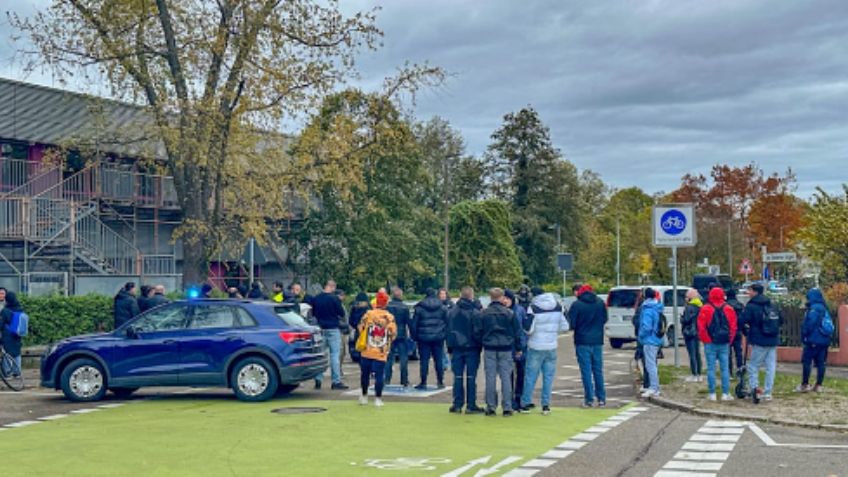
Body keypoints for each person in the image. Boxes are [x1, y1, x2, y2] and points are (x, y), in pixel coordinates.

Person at [519, 289, 569, 415]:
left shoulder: (533, 308)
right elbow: (565, 326)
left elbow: (529, 329)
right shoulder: (558, 306)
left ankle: (525, 403)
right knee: (548, 377)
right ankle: (546, 405)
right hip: (551, 346)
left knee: (531, 376)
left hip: (536, 346)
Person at [481, 288, 521, 416]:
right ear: (502, 297)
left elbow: (478, 330)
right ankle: (507, 407)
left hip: (489, 347)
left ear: (490, 297)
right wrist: (519, 348)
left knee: (490, 377)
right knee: (506, 378)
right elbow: (517, 332)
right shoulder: (509, 313)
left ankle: (491, 406)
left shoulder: (484, 313)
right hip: (506, 347)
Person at [739, 283, 781, 402]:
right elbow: (780, 320)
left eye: (750, 290)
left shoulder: (751, 306)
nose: (748, 293)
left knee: (753, 366)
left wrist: (745, 330)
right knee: (770, 366)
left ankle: (754, 388)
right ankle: (768, 392)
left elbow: (742, 320)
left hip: (759, 339)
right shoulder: (772, 304)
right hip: (772, 339)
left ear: (755, 292)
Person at [568, 284, 608, 407]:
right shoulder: (600, 303)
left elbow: (572, 324)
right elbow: (605, 319)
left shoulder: (577, 305)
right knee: (598, 370)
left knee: (586, 371)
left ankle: (589, 399)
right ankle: (601, 398)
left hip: (582, 340)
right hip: (597, 340)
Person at [447, 286, 484, 414]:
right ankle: (471, 404)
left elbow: (448, 330)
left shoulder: (452, 312)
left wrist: (450, 347)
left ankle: (457, 404)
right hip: (472, 348)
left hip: (457, 348)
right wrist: (479, 345)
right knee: (471, 377)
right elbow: (478, 332)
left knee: (457, 377)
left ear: (460, 295)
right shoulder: (475, 312)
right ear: (471, 296)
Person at [697, 287, 738, 401]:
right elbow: (733, 327)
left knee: (711, 368)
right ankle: (725, 393)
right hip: (724, 342)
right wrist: (729, 340)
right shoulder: (729, 308)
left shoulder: (705, 308)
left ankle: (712, 393)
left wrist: (706, 340)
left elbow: (701, 327)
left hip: (710, 342)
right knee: (725, 368)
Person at [357, 291, 397, 407]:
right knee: (379, 375)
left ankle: (364, 396)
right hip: (381, 351)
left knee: (365, 374)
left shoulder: (368, 314)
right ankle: (378, 399)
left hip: (367, 349)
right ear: (386, 303)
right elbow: (393, 333)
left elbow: (360, 328)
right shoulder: (389, 317)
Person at [310, 280, 349, 390]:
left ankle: (318, 379)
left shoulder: (316, 298)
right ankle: (336, 381)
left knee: (321, 355)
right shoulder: (334, 299)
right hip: (333, 328)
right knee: (334, 355)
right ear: (332, 287)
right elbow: (341, 313)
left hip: (320, 329)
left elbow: (314, 314)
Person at [797, 288, 832, 393]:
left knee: (807, 361)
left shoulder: (814, 309)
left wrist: (804, 334)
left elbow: (810, 323)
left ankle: (805, 384)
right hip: (824, 339)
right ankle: (818, 385)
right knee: (821, 363)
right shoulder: (824, 307)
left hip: (813, 339)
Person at [412, 288, 449, 389]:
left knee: (424, 361)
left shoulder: (419, 308)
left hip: (423, 338)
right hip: (438, 337)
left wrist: (414, 337)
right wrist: (444, 335)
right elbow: (448, 322)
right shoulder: (442, 307)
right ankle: (440, 381)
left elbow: (414, 324)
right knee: (439, 360)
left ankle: (423, 382)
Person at [504, 289, 528, 411]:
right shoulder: (503, 311)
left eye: (507, 298)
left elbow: (523, 328)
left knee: (521, 373)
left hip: (520, 345)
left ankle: (519, 398)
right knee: (508, 374)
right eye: (504, 298)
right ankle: (510, 400)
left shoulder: (519, 310)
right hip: (507, 346)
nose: (505, 301)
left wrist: (522, 345)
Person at [638, 289, 665, 398]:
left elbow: (646, 327)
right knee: (652, 364)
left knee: (650, 365)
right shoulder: (657, 308)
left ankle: (654, 388)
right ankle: (654, 387)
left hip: (649, 340)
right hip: (656, 338)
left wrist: (641, 336)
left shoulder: (647, 309)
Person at [385, 286, 412, 388]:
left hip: (390, 334)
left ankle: (387, 379)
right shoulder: (404, 307)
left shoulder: (387, 307)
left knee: (389, 358)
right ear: (401, 295)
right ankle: (404, 380)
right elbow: (408, 322)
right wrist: (413, 334)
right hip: (401, 334)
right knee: (403, 358)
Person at [681, 289, 704, 382]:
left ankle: (694, 374)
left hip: (689, 332)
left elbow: (686, 320)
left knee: (692, 354)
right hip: (697, 331)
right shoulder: (700, 305)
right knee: (697, 353)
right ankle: (699, 374)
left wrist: (682, 319)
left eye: (686, 296)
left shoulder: (689, 307)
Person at [0, 291, 24, 372]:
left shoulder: (5, 311)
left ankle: (7, 371)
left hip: (7, 335)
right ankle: (17, 372)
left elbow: (1, 324)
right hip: (18, 334)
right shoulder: (20, 309)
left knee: (7, 352)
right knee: (17, 353)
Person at [632, 295, 651, 392]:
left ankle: (647, 384)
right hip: (652, 339)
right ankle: (649, 383)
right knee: (650, 362)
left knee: (646, 361)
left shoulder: (642, 309)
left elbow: (637, 322)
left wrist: (641, 335)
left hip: (644, 339)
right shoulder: (655, 308)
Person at [726, 288, 745, 376]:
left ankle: (729, 371)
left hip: (728, 331)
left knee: (728, 353)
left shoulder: (725, 305)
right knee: (738, 352)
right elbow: (743, 319)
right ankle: (740, 369)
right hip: (738, 331)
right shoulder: (740, 305)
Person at [348, 293, 372, 363]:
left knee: (359, 347)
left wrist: (356, 326)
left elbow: (351, 320)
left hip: (358, 331)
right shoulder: (369, 309)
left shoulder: (354, 309)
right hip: (367, 332)